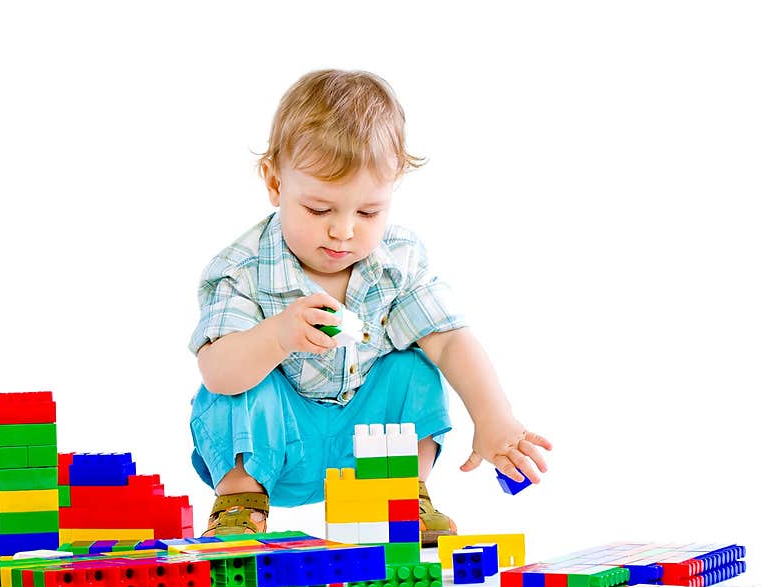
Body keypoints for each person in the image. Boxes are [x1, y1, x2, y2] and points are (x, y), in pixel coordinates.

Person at [188, 68, 552, 545]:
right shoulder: (242, 267)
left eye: (367, 212)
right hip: (276, 448)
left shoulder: (398, 261)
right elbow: (217, 373)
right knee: (235, 377)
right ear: (275, 182)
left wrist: (494, 418)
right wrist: (275, 337)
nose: (343, 231)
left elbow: (451, 341)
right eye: (319, 210)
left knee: (413, 365)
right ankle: (240, 502)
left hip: (368, 451)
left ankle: (402, 494)